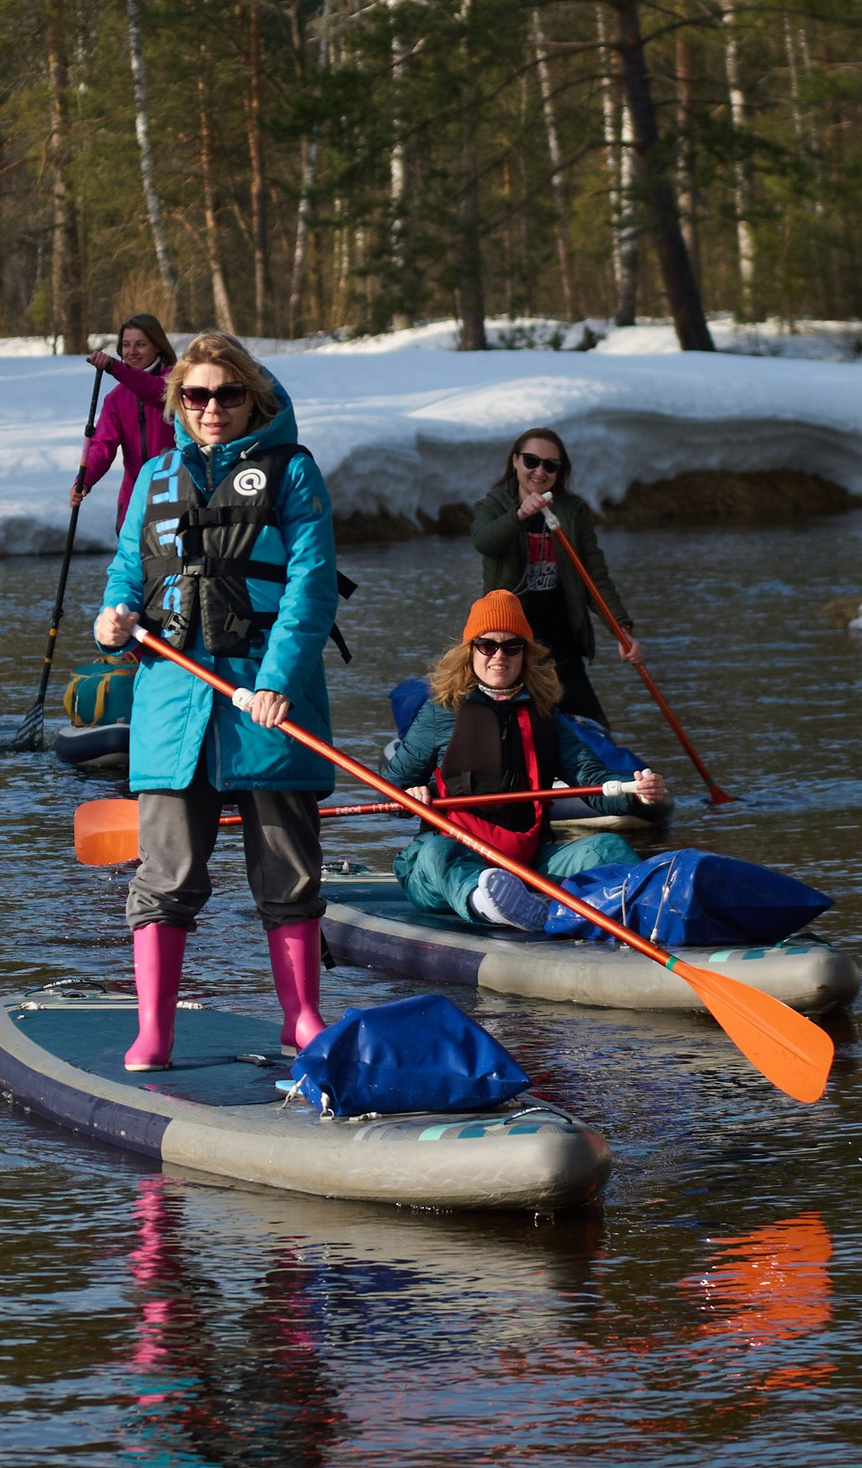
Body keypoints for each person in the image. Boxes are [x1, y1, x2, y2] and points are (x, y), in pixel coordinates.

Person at [92, 330, 337, 1070]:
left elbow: (310, 587)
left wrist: (278, 683)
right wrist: (112, 625)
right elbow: (125, 577)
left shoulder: (293, 473)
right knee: (166, 874)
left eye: (228, 394)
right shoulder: (156, 479)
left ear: (252, 398)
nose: (212, 408)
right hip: (172, 704)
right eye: (196, 395)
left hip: (266, 699)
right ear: (179, 401)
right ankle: (154, 1034)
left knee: (286, 872)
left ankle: (301, 1021)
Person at [382, 591, 668, 938]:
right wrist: (409, 795)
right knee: (434, 851)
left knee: (608, 847)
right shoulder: (440, 712)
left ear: (525, 654)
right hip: (446, 869)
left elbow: (592, 780)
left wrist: (635, 792)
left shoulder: (546, 716)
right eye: (487, 645)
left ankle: (652, 914)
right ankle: (488, 902)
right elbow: (391, 793)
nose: (499, 656)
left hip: (524, 865)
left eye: (511, 646)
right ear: (470, 650)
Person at [471, 426, 632, 723]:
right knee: (523, 719)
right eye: (532, 461)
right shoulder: (493, 505)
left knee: (592, 722)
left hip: (562, 637)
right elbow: (484, 541)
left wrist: (621, 629)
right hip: (511, 640)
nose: (539, 471)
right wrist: (519, 515)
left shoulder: (573, 511)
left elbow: (594, 576)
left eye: (550, 465)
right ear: (516, 461)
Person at [75, 313, 174, 537]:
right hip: (134, 496)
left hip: (174, 492)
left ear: (157, 346)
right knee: (131, 566)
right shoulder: (116, 399)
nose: (132, 352)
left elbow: (153, 390)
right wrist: (84, 481)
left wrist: (114, 367)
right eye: (126, 345)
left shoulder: (175, 381)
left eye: (140, 345)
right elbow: (102, 447)